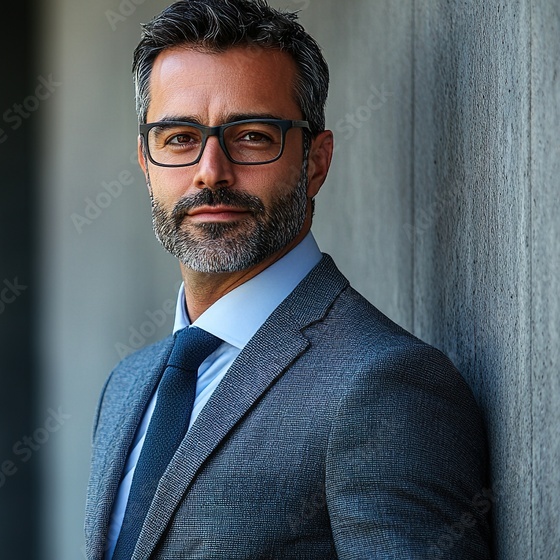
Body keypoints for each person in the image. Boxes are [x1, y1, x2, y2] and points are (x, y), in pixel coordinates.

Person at [83, 1, 492, 558]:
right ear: (146, 161)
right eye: (178, 137)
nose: (210, 170)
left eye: (251, 135)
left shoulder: (385, 385)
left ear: (315, 161)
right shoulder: (128, 387)